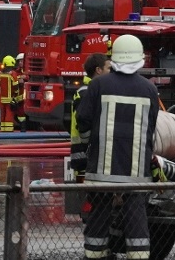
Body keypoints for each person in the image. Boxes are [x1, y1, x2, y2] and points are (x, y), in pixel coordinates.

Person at [77, 34, 160, 260]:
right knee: (136, 212)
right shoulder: (149, 89)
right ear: (140, 58)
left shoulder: (98, 84)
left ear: (114, 58)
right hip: (136, 168)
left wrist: (89, 145)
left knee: (100, 210)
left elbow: (82, 120)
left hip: (101, 167)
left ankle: (95, 254)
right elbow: (151, 127)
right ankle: (139, 255)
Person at [70, 52, 110, 222]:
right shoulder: (87, 92)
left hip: (85, 152)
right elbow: (84, 123)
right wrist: (91, 146)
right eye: (108, 68)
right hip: (84, 153)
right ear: (98, 70)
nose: (111, 72)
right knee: (90, 199)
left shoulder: (89, 91)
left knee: (93, 198)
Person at [0, 55, 19, 132]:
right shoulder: (12, 74)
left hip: (2, 98)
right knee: (9, 113)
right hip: (10, 98)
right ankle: (8, 129)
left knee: (3, 113)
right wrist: (16, 94)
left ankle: (3, 128)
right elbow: (15, 85)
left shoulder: (0, 74)